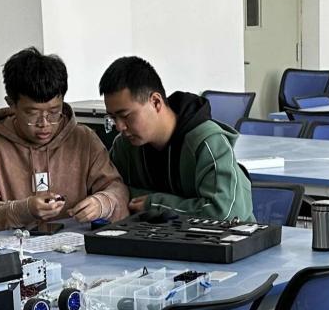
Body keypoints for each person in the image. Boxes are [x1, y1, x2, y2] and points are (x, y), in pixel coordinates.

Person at [0, 48, 129, 235]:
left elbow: (117, 190)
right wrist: (23, 210)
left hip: (77, 247)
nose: (44, 124)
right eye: (32, 113)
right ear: (11, 104)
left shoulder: (84, 140)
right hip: (13, 249)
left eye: (54, 112)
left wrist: (102, 203)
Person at [99, 56, 254, 221]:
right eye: (113, 118)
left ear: (156, 102)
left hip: (223, 237)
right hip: (153, 235)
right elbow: (109, 190)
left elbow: (224, 213)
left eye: (126, 116)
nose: (119, 127)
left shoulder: (207, 142)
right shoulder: (124, 146)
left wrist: (154, 203)